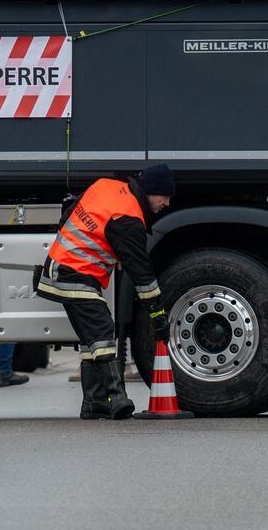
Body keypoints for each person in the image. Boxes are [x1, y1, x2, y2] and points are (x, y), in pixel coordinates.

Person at [35, 164, 175, 420]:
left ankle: (93, 402)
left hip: (63, 266)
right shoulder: (129, 217)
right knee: (101, 332)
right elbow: (141, 272)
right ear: (151, 191)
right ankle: (116, 397)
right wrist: (158, 313)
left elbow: (67, 214)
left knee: (91, 341)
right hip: (76, 274)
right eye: (165, 195)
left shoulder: (105, 187)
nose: (167, 202)